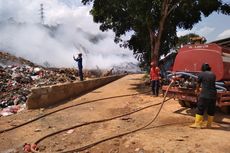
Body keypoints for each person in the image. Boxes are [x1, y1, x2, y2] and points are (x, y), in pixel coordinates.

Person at [190, 63, 217, 128]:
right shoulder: (213, 74)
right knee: (211, 109)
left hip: (205, 94)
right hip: (213, 94)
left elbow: (198, 84)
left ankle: (197, 124)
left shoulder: (201, 74)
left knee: (200, 108)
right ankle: (209, 125)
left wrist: (197, 90)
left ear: (203, 68)